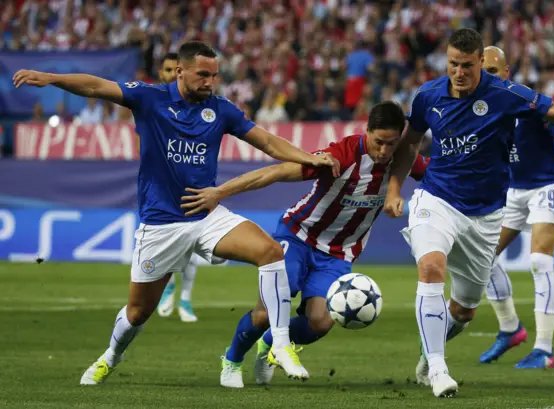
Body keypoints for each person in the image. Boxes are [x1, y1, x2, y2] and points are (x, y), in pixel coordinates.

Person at [13, 40, 339, 385]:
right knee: (137, 313)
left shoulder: (221, 110)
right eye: (202, 75)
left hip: (206, 214)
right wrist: (50, 77)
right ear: (180, 71)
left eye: (214, 75)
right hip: (161, 225)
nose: (210, 82)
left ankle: (282, 344)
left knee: (271, 252)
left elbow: (268, 141)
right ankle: (111, 355)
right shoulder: (149, 98)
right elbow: (95, 86)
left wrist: (308, 157)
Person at [383, 28, 554, 398]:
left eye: (467, 66)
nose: (459, 73)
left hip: (487, 214)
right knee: (430, 267)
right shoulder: (429, 96)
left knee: (463, 311)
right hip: (437, 199)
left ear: (480, 63)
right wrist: (395, 189)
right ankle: (439, 367)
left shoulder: (505, 95)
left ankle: (434, 350)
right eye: (453, 65)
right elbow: (410, 143)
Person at [179, 101, 428, 388]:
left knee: (321, 322)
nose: (385, 151)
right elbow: (276, 172)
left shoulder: (404, 160)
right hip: (298, 236)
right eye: (379, 142)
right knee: (265, 314)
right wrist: (220, 192)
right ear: (367, 132)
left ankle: (270, 346)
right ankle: (232, 360)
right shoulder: (342, 155)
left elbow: (439, 176)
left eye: (392, 144)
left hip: (338, 253)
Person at [477, 46, 554, 368]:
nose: (488, 77)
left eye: (494, 71)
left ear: (506, 72)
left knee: (539, 260)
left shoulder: (528, 103)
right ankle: (510, 328)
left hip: (546, 187)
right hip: (512, 192)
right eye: (484, 70)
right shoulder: (479, 110)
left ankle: (544, 349)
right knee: (482, 258)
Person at [152, 52, 205, 323]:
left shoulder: (199, 104)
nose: (172, 74)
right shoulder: (152, 102)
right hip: (160, 191)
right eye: (167, 69)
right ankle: (168, 288)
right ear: (162, 73)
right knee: (167, 250)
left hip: (192, 187)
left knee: (191, 250)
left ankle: (185, 299)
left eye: (176, 69)